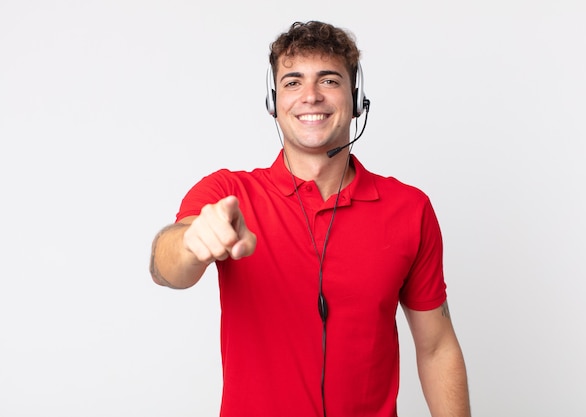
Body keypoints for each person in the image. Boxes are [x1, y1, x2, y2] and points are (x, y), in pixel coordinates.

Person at [150, 20, 470, 417]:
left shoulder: (410, 208)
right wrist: (190, 244)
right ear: (273, 100)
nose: (311, 96)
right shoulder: (227, 194)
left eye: (329, 80)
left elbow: (437, 348)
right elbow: (166, 269)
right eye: (292, 82)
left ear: (357, 97)